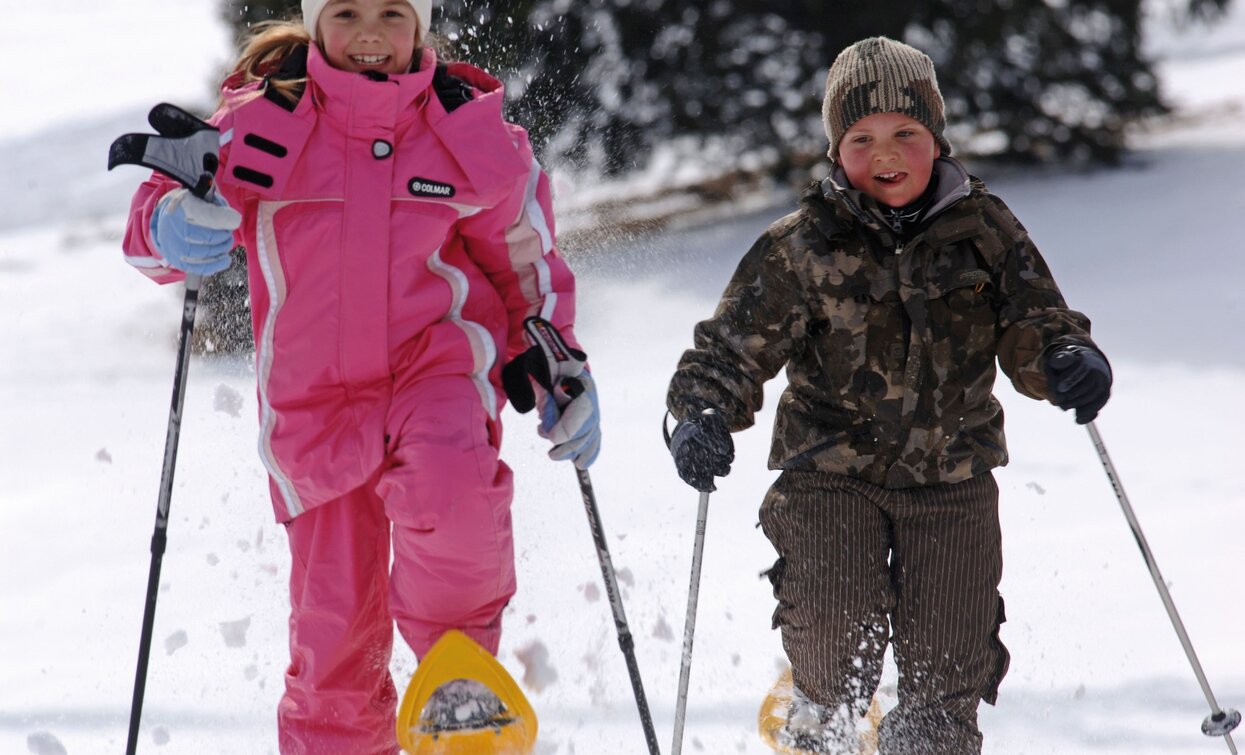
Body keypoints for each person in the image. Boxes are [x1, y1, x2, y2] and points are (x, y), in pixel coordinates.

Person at [120, 0, 600, 751]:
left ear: (420, 23)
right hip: (312, 413)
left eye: (390, 12)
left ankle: (459, 677)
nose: (369, 33)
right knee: (334, 634)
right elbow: (158, 221)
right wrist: (174, 225)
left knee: (454, 488)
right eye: (344, 13)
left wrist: (555, 359)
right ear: (314, 24)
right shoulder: (262, 126)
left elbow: (524, 259)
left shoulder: (468, 135)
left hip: (433, 367)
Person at [664, 36, 1111, 755]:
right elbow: (729, 348)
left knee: (943, 683)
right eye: (861, 138)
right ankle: (821, 714)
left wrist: (1064, 357)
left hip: (952, 481)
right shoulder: (802, 245)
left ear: (935, 138)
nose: (886, 154)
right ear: (835, 151)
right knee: (836, 637)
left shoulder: (983, 231)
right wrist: (702, 413)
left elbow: (1035, 320)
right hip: (829, 479)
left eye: (906, 133)